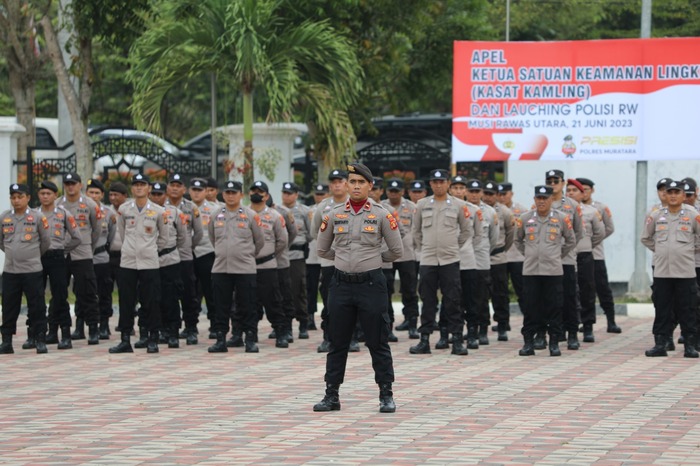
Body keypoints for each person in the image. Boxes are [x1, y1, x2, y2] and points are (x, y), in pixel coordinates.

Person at [313, 163, 402, 413]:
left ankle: (386, 393)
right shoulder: (333, 214)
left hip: (371, 284)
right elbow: (322, 249)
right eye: (352, 181)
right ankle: (331, 395)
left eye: (361, 182)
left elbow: (397, 250)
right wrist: (343, 258)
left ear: (370, 186)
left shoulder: (383, 215)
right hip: (341, 285)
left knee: (377, 340)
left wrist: (372, 260)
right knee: (337, 341)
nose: (355, 186)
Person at [410, 169, 472, 356]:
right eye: (435, 182)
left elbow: (466, 231)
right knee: (427, 300)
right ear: (430, 184)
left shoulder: (459, 205)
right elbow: (416, 232)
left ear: (448, 183)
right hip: (428, 259)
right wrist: (425, 249)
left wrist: (453, 246)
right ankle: (425, 340)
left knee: (453, 301)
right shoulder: (421, 204)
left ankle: (457, 341)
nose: (438, 185)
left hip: (450, 259)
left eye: (442, 181)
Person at [109, 173, 169, 354]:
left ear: (149, 188)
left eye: (143, 184)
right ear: (132, 189)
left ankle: (152, 338)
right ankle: (125, 338)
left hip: (149, 262)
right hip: (127, 262)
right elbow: (122, 230)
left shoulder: (158, 211)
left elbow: (164, 239)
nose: (139, 188)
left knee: (151, 301)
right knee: (126, 301)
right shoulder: (125, 209)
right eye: (135, 185)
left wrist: (149, 250)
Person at [514, 185, 576, 357]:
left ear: (551, 200)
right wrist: (529, 254)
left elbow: (571, 240)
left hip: (553, 271)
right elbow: (517, 240)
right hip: (531, 271)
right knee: (530, 307)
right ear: (534, 199)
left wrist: (556, 254)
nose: (541, 201)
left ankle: (554, 342)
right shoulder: (525, 218)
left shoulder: (561, 218)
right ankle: (529, 342)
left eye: (545, 198)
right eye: (538, 198)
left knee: (554, 307)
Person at [641, 180, 700, 358]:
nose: (673, 195)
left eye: (677, 192)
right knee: (663, 308)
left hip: (685, 271)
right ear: (665, 195)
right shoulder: (656, 215)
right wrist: (661, 250)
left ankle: (690, 345)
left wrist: (687, 250)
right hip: (662, 271)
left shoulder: (692, 214)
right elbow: (646, 237)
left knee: (687, 308)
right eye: (670, 192)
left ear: (683, 195)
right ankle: (661, 343)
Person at [207, 181, 264, 353]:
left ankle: (250, 339)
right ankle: (220, 339)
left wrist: (245, 255)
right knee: (221, 306)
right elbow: (212, 238)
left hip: (244, 268)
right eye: (228, 193)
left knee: (247, 305)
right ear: (223, 195)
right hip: (220, 268)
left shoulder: (250, 215)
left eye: (234, 192)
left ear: (241, 194)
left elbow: (259, 241)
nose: (231, 196)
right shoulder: (215, 215)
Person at [0, 183, 51, 354]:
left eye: (20, 197)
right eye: (13, 197)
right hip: (10, 271)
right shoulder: (4, 217)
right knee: (8, 307)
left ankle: (40, 339)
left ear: (28, 198)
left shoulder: (37, 217)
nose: (16, 200)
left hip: (32, 270)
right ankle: (6, 341)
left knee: (37, 306)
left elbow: (45, 242)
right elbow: (2, 242)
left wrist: (31, 255)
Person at [57, 173, 102, 344]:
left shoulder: (90, 204)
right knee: (60, 292)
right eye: (67, 183)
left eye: (73, 183)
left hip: (82, 253)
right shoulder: (57, 204)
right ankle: (65, 329)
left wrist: (88, 247)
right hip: (62, 254)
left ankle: (93, 329)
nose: (70, 187)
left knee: (88, 293)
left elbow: (96, 230)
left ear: (80, 185)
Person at [37, 181, 81, 350]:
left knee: (60, 296)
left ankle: (65, 334)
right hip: (38, 259)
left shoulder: (63, 214)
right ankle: (40, 333)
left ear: (55, 195)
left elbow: (76, 237)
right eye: (42, 194)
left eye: (49, 194)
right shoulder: (34, 214)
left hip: (57, 258)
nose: (45, 197)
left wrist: (63, 249)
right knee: (37, 296)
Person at [310, 170, 351, 352]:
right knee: (329, 302)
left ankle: (352, 338)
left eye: (340, 181)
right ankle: (328, 337)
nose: (336, 185)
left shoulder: (357, 204)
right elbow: (315, 232)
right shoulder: (323, 207)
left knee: (352, 301)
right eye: (333, 182)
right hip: (329, 263)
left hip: (353, 262)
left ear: (347, 183)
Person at [545, 169, 583, 348]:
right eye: (549, 181)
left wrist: (563, 250)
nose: (552, 184)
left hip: (565, 258)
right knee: (550, 298)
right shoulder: (541, 203)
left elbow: (578, 233)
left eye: (556, 181)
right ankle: (555, 332)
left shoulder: (572, 205)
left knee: (569, 297)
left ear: (563, 183)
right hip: (546, 261)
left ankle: (572, 333)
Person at [576, 177, 620, 333]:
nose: (584, 192)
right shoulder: (570, 208)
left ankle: (611, 320)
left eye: (586, 189)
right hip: (576, 256)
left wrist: (591, 242)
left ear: (591, 190)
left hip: (596, 255)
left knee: (602, 288)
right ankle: (582, 321)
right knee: (581, 290)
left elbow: (608, 228)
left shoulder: (600, 208)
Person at [567, 179, 605, 349]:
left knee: (587, 291)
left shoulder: (591, 212)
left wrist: (587, 245)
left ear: (583, 194)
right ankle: (565, 327)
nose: (570, 193)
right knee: (567, 292)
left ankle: (588, 326)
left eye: (574, 190)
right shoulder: (561, 211)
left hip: (584, 255)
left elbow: (600, 233)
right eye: (568, 190)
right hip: (566, 256)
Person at [166, 173, 203, 344]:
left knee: (189, 294)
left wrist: (188, 246)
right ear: (167, 188)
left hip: (185, 257)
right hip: (166, 258)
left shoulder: (191, 208)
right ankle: (168, 327)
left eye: (178, 185)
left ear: (184, 189)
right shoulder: (161, 207)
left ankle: (191, 328)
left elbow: (199, 233)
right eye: (172, 185)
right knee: (168, 293)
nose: (174, 188)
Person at [149, 181, 186, 348]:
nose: (157, 197)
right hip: (150, 260)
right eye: (154, 194)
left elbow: (183, 237)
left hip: (170, 259)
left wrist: (170, 249)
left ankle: (173, 332)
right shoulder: (145, 211)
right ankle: (158, 330)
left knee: (171, 297)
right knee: (153, 298)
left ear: (166, 195)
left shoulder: (175, 213)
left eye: (160, 194)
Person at [382, 178, 419, 340]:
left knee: (409, 290)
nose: (393, 194)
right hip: (386, 255)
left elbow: (417, 229)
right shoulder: (381, 207)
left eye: (397, 191)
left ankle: (412, 323)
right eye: (391, 191)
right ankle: (387, 325)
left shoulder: (412, 207)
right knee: (386, 291)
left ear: (402, 192)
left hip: (406, 254)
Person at [465, 179, 499, 347]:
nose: (474, 194)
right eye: (470, 191)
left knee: (482, 297)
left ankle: (483, 329)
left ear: (481, 193)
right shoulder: (461, 208)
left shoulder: (491, 212)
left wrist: (484, 251)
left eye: (477, 191)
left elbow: (494, 238)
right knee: (464, 298)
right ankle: (468, 330)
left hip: (481, 261)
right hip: (463, 260)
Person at [85, 179, 116, 340]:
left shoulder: (109, 213)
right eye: (91, 192)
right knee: (84, 292)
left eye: (97, 193)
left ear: (102, 195)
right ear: (86, 193)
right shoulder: (80, 211)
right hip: (84, 258)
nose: (94, 196)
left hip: (102, 257)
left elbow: (112, 235)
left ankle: (104, 324)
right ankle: (82, 325)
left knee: (104, 292)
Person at [483, 180, 514, 342]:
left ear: (497, 195)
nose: (488, 197)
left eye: (491, 194)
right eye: (485, 194)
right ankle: (481, 326)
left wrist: (501, 249)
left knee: (500, 294)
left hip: (498, 258)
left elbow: (511, 234)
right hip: (481, 259)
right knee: (480, 295)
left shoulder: (504, 212)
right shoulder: (476, 210)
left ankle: (502, 325)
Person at [281, 182, 312, 339]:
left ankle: (303, 323)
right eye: (284, 192)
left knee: (299, 290)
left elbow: (311, 233)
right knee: (281, 291)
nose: (286, 196)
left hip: (297, 255)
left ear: (296, 195)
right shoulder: (277, 211)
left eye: (289, 193)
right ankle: (283, 324)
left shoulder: (304, 211)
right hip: (280, 256)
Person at [189, 177, 218, 337]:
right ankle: (191, 326)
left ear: (206, 192)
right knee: (190, 292)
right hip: (188, 254)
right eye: (194, 189)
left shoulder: (214, 209)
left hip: (207, 253)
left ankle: (215, 325)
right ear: (189, 191)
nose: (197, 193)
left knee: (210, 291)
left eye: (200, 190)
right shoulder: (184, 208)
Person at [498, 182, 528, 326]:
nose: (502, 197)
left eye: (505, 194)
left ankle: (529, 319)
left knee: (522, 290)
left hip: (517, 257)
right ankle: (503, 323)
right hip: (501, 256)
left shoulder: (521, 210)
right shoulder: (494, 210)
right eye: (500, 194)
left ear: (511, 194)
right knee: (501, 291)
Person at [305, 183, 329, 331]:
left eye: (322, 194)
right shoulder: (309, 211)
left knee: (326, 289)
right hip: (313, 256)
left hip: (328, 257)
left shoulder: (332, 208)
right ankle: (310, 317)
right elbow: (311, 233)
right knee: (310, 288)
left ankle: (327, 315)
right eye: (317, 194)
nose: (319, 197)